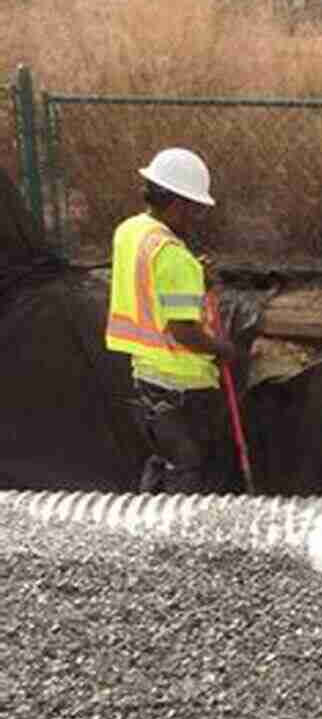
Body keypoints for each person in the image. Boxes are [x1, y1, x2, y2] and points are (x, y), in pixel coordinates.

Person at [105, 147, 244, 493]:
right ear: (179, 203)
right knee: (188, 473)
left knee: (164, 462)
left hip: (145, 376)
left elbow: (150, 284)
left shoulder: (130, 231)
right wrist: (222, 349)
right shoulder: (173, 257)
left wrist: (194, 275)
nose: (195, 218)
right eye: (194, 210)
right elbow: (182, 330)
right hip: (183, 385)